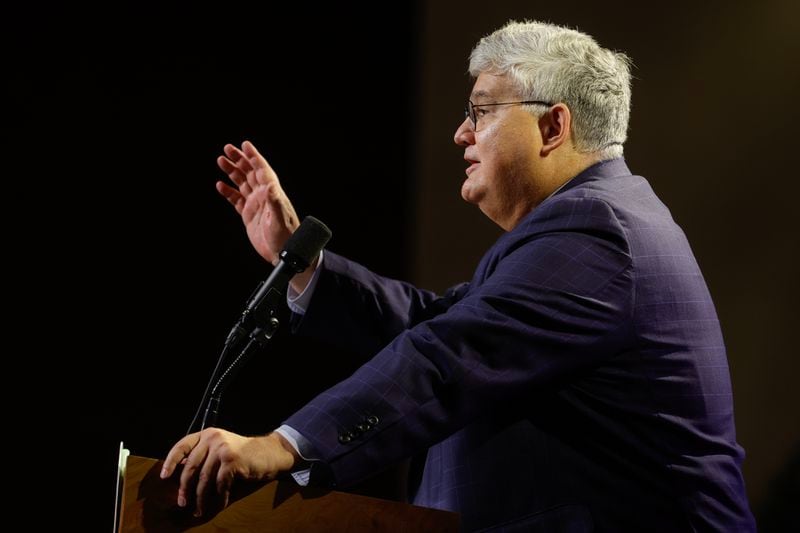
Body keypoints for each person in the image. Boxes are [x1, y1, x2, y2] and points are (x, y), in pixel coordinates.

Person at [161, 20, 756, 531]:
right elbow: (439, 324)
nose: (461, 133)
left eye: (481, 111)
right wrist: (303, 261)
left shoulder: (601, 232)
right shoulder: (591, 222)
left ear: (553, 127)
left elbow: (448, 353)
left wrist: (282, 445)